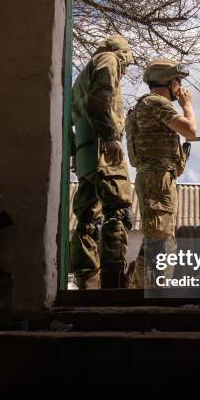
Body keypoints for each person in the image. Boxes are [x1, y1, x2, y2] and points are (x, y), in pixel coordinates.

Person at [69, 35, 135, 289]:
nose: (125, 71)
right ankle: (113, 283)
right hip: (103, 150)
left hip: (87, 152)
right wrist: (110, 137)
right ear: (122, 54)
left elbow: (73, 117)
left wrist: (77, 153)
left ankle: (87, 281)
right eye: (126, 65)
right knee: (117, 210)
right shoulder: (109, 59)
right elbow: (100, 100)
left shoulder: (83, 75)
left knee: (86, 218)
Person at [125, 58, 197, 287]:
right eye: (177, 81)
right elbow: (190, 131)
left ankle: (139, 290)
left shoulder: (141, 106)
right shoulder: (156, 103)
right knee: (160, 239)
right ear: (167, 81)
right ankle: (152, 293)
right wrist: (187, 105)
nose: (180, 87)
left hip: (152, 176)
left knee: (154, 236)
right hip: (158, 178)